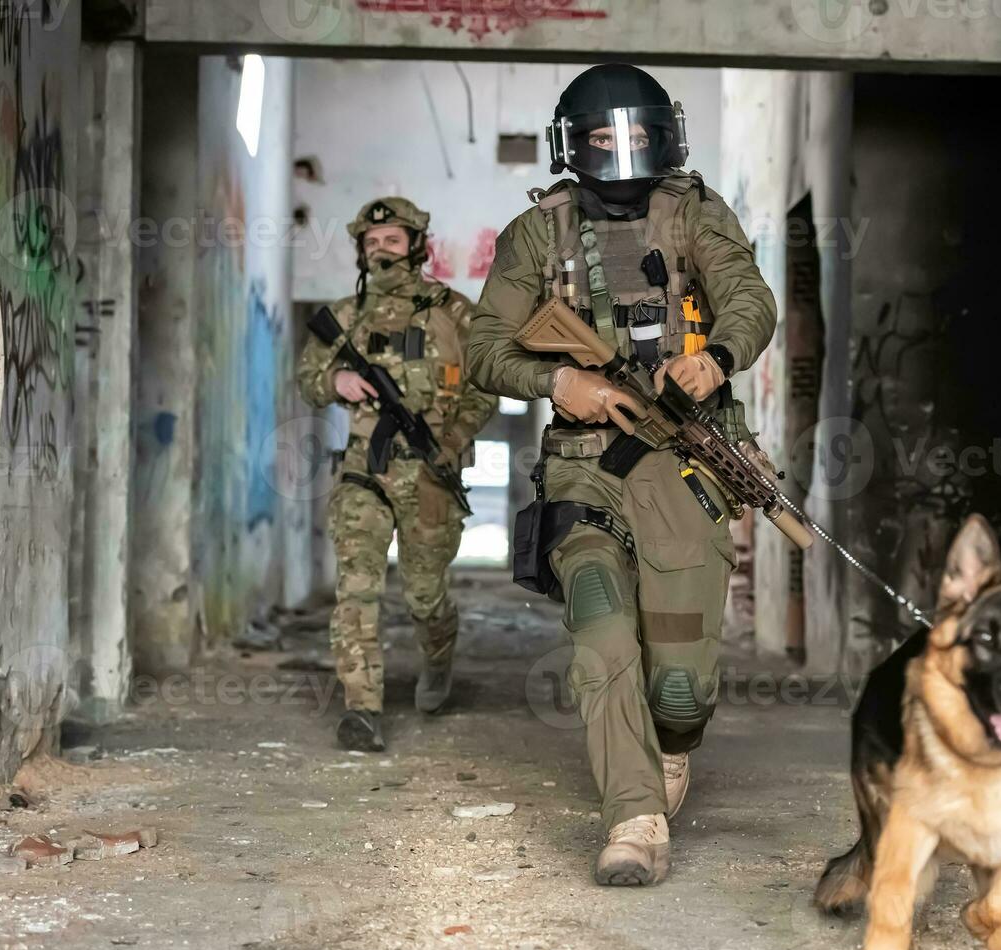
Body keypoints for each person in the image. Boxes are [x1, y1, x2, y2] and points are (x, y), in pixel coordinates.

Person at [466, 65, 777, 885]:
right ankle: (632, 819)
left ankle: (672, 749)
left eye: (638, 134)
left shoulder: (694, 213)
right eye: (604, 138)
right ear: (574, 146)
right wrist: (556, 383)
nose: (623, 152)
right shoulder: (539, 233)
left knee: (680, 685)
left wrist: (717, 361)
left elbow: (750, 299)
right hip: (583, 467)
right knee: (602, 633)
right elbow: (485, 346)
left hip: (683, 459)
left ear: (666, 134)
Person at [297, 196, 496, 752]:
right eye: (372, 242)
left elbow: (486, 388)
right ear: (361, 252)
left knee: (424, 595)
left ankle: (438, 660)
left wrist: (451, 442)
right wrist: (335, 382)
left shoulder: (455, 312)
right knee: (356, 589)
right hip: (365, 467)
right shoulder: (344, 316)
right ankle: (362, 708)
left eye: (392, 240)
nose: (382, 250)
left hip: (431, 470)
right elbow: (309, 376)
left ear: (416, 245)